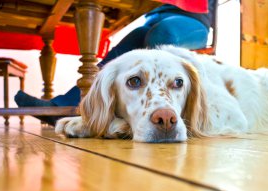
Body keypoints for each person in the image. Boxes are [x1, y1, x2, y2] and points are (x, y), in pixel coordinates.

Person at [14, 0, 216, 126]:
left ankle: (157, 118)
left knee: (162, 35)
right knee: (120, 53)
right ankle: (69, 106)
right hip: (153, 19)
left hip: (193, 21)